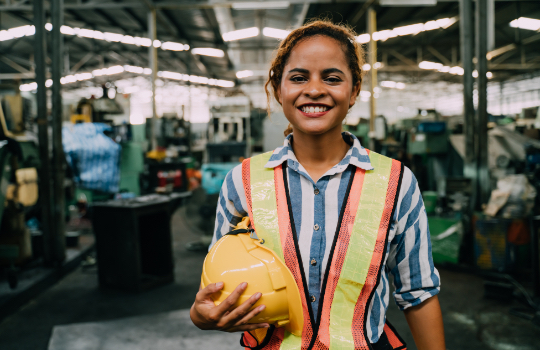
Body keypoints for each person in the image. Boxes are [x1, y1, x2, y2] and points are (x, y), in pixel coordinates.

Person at [191, 19, 445, 350]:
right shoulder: (242, 181)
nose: (314, 89)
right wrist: (201, 316)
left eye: (332, 78)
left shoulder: (397, 183)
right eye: (298, 78)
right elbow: (218, 284)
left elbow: (419, 294)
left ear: (353, 91)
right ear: (278, 89)